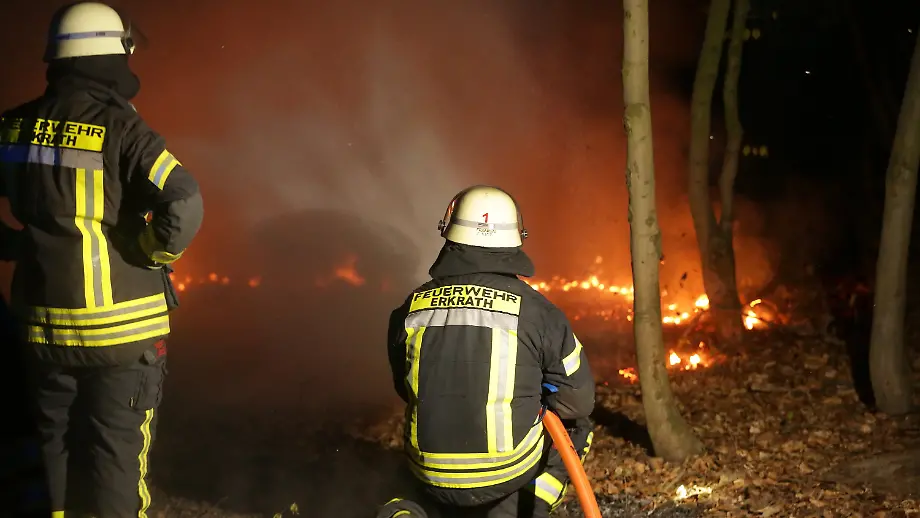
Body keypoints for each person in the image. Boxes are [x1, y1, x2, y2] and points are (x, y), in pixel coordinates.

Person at [0, 2, 204, 516]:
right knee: (115, 457)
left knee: (51, 450)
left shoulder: (14, 127)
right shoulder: (120, 127)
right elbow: (183, 200)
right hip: (122, 334)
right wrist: (149, 251)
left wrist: (14, 245)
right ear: (112, 55)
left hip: (42, 329)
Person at [378, 186, 595, 518]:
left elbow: (403, 386)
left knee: (401, 472)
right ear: (516, 238)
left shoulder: (411, 308)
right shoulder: (539, 312)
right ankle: (516, 510)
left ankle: (406, 509)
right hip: (507, 473)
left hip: (430, 472)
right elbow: (578, 401)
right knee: (578, 427)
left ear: (449, 233)